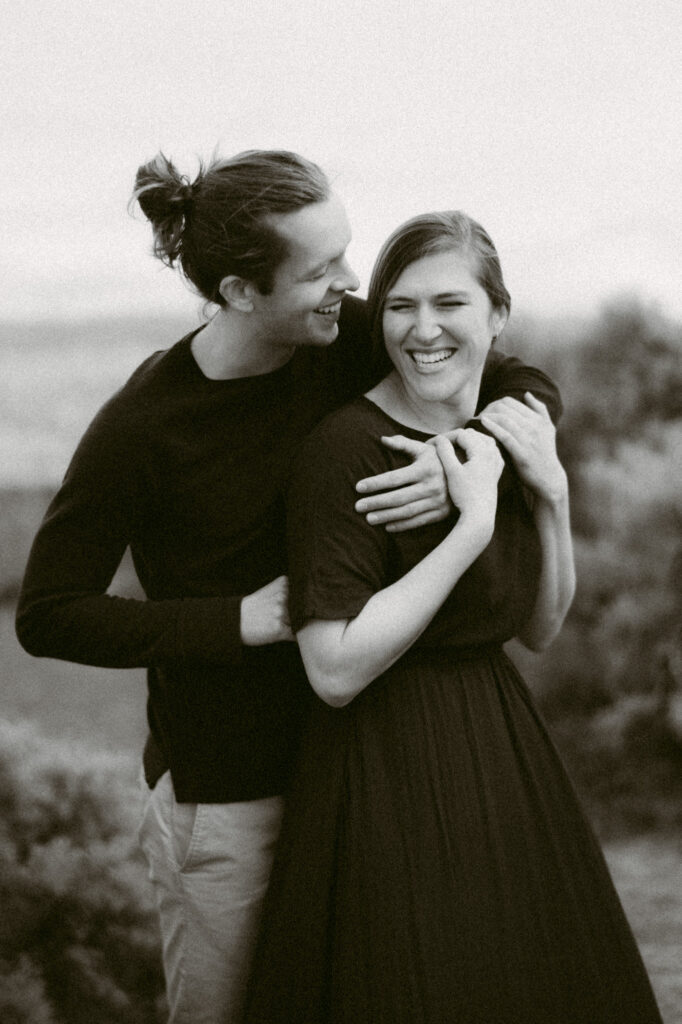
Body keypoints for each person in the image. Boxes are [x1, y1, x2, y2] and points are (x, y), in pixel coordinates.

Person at [15, 152, 562, 1024]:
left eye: (345, 255)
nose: (353, 287)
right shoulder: (145, 428)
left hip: (357, 770)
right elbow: (48, 615)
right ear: (240, 292)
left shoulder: (335, 336)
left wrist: (486, 453)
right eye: (322, 271)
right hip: (233, 797)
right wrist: (235, 621)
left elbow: (510, 372)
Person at [242, 211, 663, 1023]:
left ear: (498, 315)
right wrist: (470, 526)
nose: (422, 330)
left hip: (505, 751)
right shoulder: (347, 450)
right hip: (383, 768)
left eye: (450, 304)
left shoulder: (501, 435)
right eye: (400, 306)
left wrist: (552, 494)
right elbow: (330, 670)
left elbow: (539, 628)